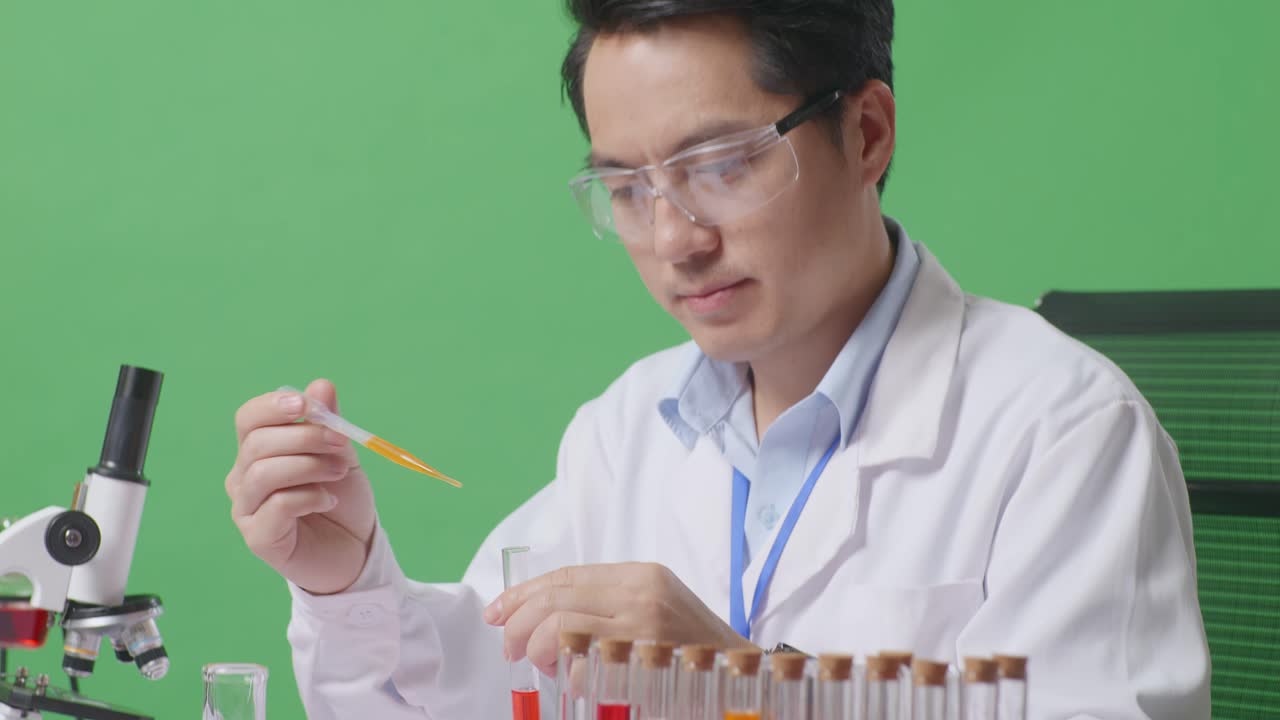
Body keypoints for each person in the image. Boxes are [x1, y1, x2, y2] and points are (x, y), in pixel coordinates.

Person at [223, 1, 1211, 717]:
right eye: (625, 187)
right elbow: (481, 691)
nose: (674, 238)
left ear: (864, 134)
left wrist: (746, 684)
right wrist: (346, 582)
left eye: (721, 166)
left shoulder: (1060, 429)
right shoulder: (629, 425)